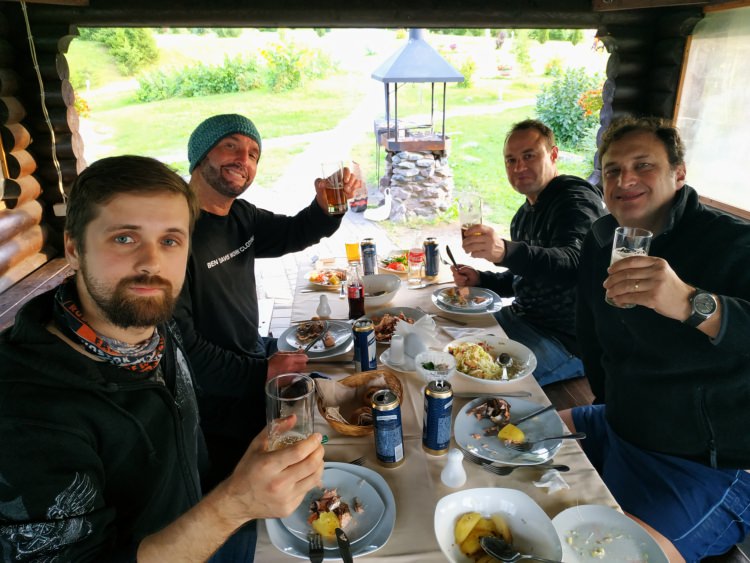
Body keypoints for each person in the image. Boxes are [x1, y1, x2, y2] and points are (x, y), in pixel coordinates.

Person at [0, 156, 324, 562]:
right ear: (73, 248)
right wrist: (235, 503)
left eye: (170, 240)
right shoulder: (24, 410)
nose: (151, 264)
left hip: (218, 528)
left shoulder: (156, 325)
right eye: (124, 238)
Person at [560, 117, 750, 562]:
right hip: (618, 423)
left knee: (606, 555)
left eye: (643, 165)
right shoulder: (602, 237)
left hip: (704, 464)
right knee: (503, 450)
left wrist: (691, 303)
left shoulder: (732, 243)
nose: (624, 179)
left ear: (678, 173)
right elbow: (590, 333)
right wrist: (614, 403)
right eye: (611, 169)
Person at [173, 114, 358, 490]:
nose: (245, 158)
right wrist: (261, 373)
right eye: (231, 146)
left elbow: (295, 232)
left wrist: (328, 208)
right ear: (200, 155)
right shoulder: (174, 234)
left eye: (254, 153)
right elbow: (184, 350)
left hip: (253, 360)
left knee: (342, 397)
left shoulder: (241, 216)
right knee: (265, 486)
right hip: (214, 401)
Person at [452, 119, 604, 386]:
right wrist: (482, 280)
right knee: (451, 353)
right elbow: (527, 277)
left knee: (475, 384)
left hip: (564, 340)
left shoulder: (576, 200)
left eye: (529, 156)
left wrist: (505, 251)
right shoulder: (522, 215)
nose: (519, 167)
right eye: (510, 160)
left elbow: (576, 263)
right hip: (518, 318)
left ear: (553, 155)